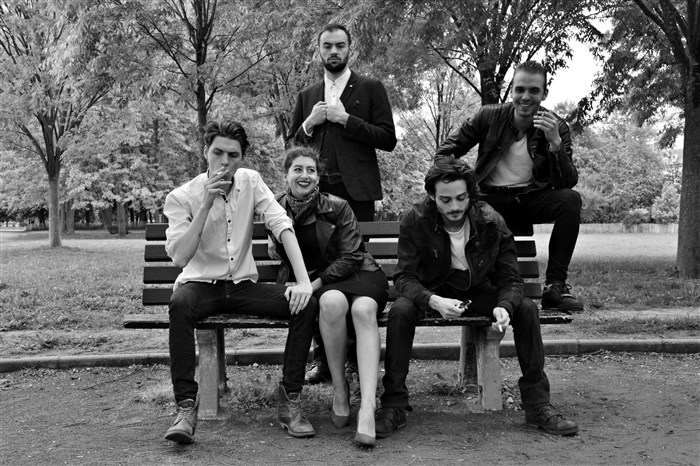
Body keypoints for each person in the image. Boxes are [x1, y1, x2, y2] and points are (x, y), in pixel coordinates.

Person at [374, 157, 579, 438]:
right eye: (445, 200)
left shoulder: (490, 220)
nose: (455, 207)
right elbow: (404, 278)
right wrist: (433, 300)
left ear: (470, 194)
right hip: (432, 289)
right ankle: (393, 405)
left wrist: (504, 306)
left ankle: (537, 404)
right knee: (401, 310)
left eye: (461, 198)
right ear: (432, 196)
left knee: (526, 308)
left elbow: (511, 279)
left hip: (477, 290)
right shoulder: (415, 220)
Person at [162, 120, 317, 444]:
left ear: (242, 157)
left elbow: (281, 223)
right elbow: (179, 257)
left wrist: (303, 282)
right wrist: (207, 202)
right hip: (202, 286)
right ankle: (186, 408)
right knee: (179, 303)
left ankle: (289, 400)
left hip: (243, 286)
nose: (224, 161)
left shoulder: (250, 181)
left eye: (233, 155)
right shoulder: (182, 196)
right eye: (217, 152)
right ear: (205, 152)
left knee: (305, 304)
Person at [287, 22, 397, 385]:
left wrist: (346, 120)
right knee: (318, 270)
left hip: (357, 194)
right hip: (314, 197)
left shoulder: (370, 88)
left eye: (340, 45)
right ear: (318, 51)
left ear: (350, 49)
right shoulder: (307, 95)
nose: (333, 51)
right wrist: (309, 123)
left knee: (352, 270)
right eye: (327, 46)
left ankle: (353, 356)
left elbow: (388, 138)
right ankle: (323, 357)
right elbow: (292, 147)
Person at [435, 60, 583, 313]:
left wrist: (555, 145)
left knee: (570, 200)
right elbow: (444, 153)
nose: (525, 97)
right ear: (511, 90)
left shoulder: (556, 127)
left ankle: (555, 287)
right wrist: (463, 182)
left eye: (534, 91)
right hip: (488, 199)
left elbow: (566, 182)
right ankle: (457, 285)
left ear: (544, 93)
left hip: (529, 198)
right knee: (457, 203)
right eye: (520, 89)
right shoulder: (488, 116)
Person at [269, 146, 389, 447]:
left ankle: (368, 407)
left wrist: (312, 284)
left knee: (363, 310)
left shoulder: (337, 206)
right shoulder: (274, 206)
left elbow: (351, 256)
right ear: (286, 175)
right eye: (298, 169)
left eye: (311, 170)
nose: (305, 175)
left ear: (318, 178)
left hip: (359, 273)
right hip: (325, 286)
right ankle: (339, 388)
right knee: (330, 303)